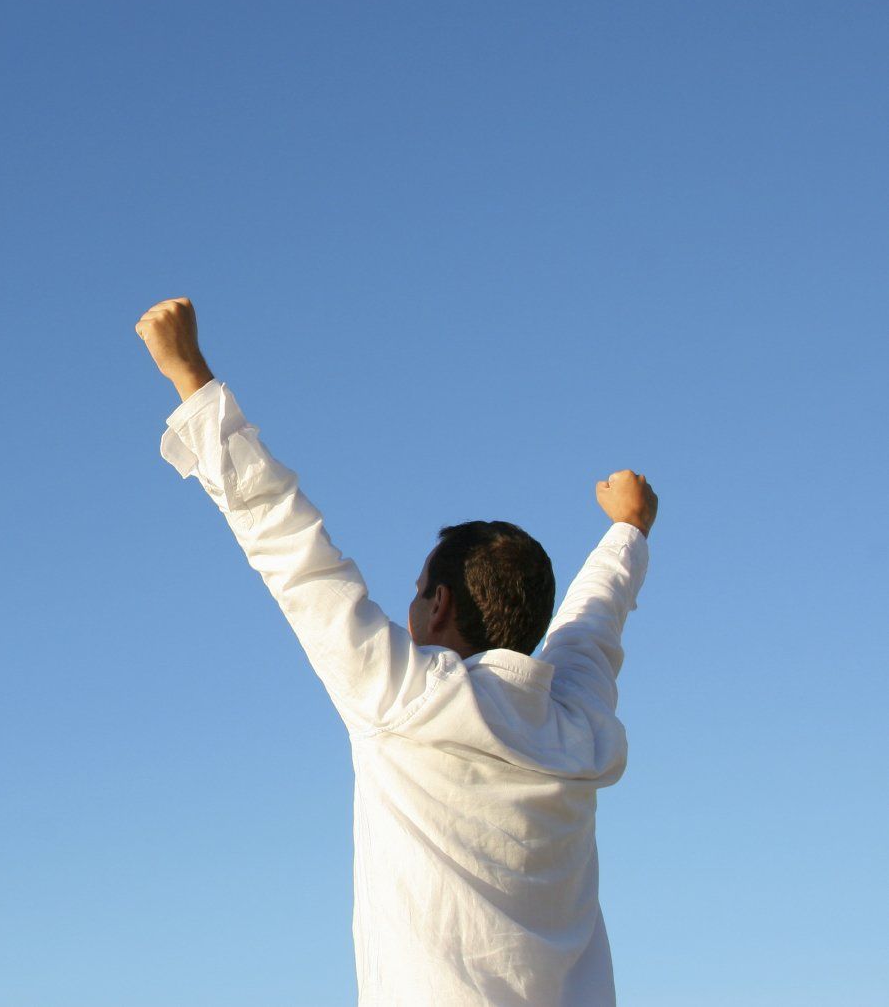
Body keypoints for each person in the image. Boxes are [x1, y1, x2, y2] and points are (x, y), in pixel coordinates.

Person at [135, 296, 657, 1006]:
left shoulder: (405, 698)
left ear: (439, 605)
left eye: (417, 590)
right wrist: (628, 530)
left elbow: (290, 547)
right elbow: (593, 628)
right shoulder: (578, 728)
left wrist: (190, 377)